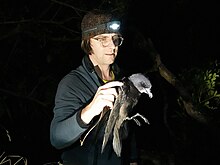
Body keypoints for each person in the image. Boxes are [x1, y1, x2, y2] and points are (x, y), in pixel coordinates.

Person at [50, 9, 139, 165]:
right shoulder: (72, 83)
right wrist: (90, 110)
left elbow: (128, 128)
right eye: (103, 39)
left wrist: (133, 159)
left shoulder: (124, 81)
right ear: (88, 41)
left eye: (115, 39)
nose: (112, 46)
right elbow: (57, 139)